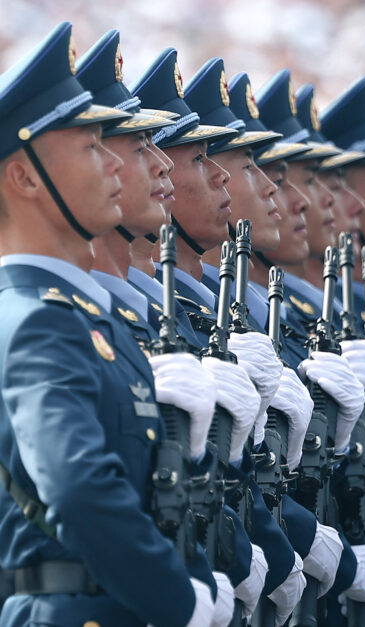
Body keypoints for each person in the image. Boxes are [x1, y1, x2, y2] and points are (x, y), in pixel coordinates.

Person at [0, 22, 221, 626]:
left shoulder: (88, 316)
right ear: (24, 178)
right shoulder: (34, 319)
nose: (119, 166)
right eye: (93, 148)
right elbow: (79, 492)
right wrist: (179, 602)